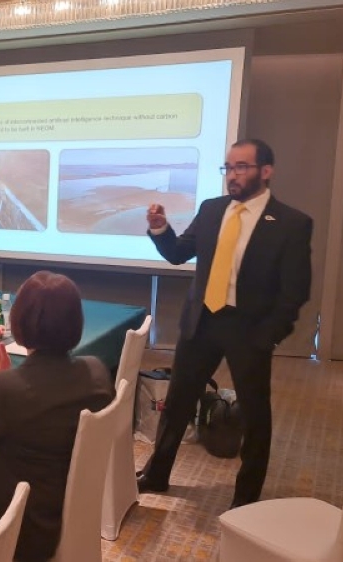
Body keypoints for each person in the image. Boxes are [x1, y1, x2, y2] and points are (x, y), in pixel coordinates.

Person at [137, 139, 313, 509]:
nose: (232, 175)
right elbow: (178, 254)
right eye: (228, 168)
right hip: (201, 322)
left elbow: (295, 291)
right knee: (178, 403)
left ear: (266, 171)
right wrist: (161, 229)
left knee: (254, 414)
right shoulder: (212, 209)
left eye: (241, 167)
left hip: (250, 331)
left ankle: (245, 498)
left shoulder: (291, 223)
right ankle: (157, 474)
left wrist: (268, 336)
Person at [0, 271, 116, 562]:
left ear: (19, 323)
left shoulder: (6, 389)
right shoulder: (97, 372)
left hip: (13, 528)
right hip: (61, 510)